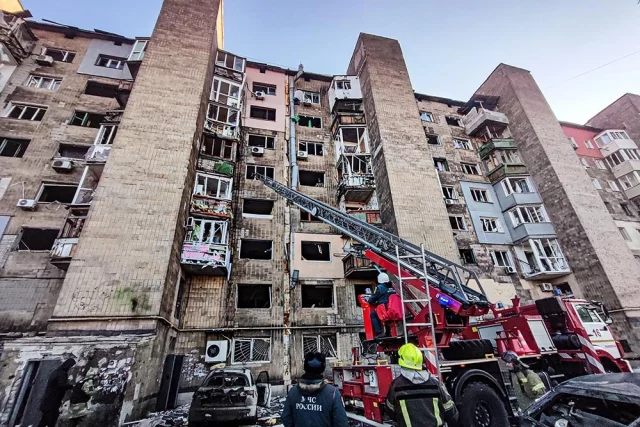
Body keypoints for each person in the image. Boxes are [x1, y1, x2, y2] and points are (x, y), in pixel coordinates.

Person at [386, 344, 458, 427]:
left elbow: (390, 412)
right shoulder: (436, 384)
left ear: (401, 361)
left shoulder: (396, 386)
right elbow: (451, 411)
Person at [281, 352, 348, 427]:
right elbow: (341, 423)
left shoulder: (293, 392)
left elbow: (286, 418)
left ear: (305, 367)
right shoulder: (332, 393)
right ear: (323, 368)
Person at [38, 358, 76, 427]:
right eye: (71, 366)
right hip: (53, 402)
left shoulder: (56, 372)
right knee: (50, 422)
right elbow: (60, 385)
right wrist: (72, 386)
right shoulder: (62, 373)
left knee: (44, 421)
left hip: (47, 401)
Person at [368, 272, 396, 339]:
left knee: (373, 314)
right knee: (388, 317)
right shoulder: (392, 286)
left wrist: (371, 300)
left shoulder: (380, 287)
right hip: (392, 308)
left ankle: (379, 332)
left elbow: (372, 299)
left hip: (384, 308)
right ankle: (388, 333)